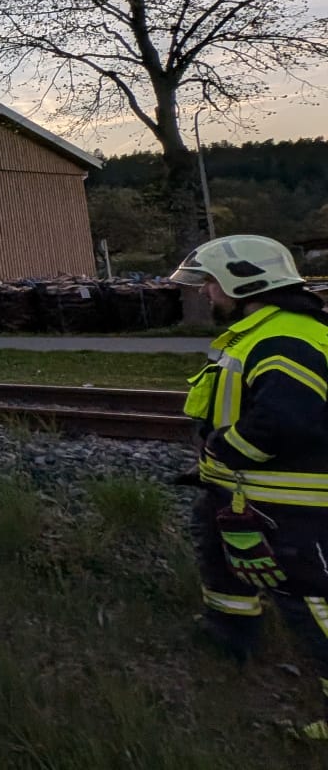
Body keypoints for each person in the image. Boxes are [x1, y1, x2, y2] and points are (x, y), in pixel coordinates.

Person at [170, 235, 328, 737]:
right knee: (227, 570)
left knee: (308, 600)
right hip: (244, 495)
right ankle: (231, 640)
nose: (208, 294)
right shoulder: (266, 332)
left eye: (213, 283)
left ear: (244, 281)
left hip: (287, 502)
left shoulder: (283, 339)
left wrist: (223, 451)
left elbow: (286, 423)